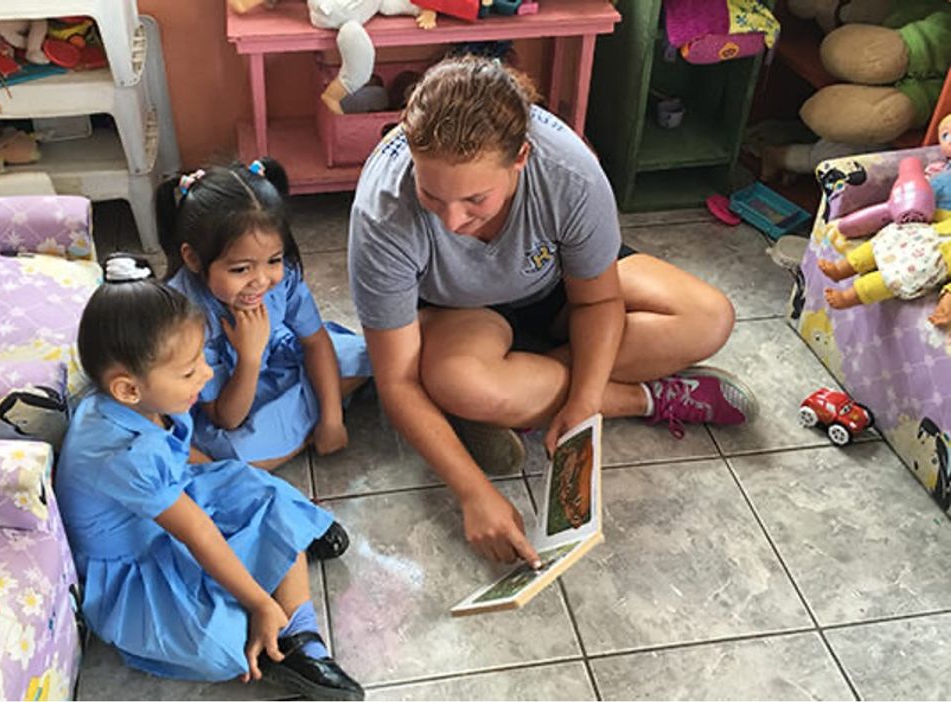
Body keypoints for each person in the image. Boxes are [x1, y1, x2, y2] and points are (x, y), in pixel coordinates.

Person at [348, 55, 758, 567]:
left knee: (708, 316)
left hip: (562, 292)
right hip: (462, 315)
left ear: (521, 157)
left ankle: (516, 398)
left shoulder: (569, 172)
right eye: (431, 195)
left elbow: (598, 298)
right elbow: (397, 382)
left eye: (476, 199)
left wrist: (583, 402)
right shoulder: (382, 211)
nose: (453, 221)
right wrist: (473, 492)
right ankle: (638, 398)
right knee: (459, 382)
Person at [56, 255, 364, 700]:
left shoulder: (144, 402)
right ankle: (281, 612)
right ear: (127, 387)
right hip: (135, 558)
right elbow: (197, 532)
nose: (206, 372)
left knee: (260, 489)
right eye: (188, 371)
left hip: (172, 499)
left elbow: (186, 463)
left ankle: (299, 633)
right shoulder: (122, 451)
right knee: (218, 644)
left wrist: (238, 487)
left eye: (201, 357)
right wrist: (259, 602)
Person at [156, 158, 371, 470]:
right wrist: (250, 355)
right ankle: (302, 423)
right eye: (241, 268)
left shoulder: (285, 277)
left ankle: (307, 417)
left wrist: (332, 420)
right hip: (232, 395)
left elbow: (315, 342)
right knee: (236, 457)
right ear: (193, 258)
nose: (261, 280)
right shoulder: (184, 315)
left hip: (280, 360)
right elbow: (226, 418)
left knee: (367, 354)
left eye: (273, 260)